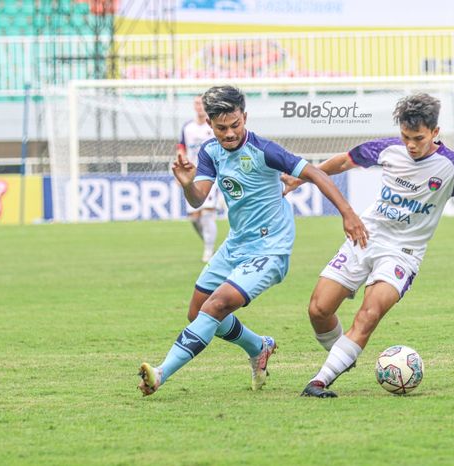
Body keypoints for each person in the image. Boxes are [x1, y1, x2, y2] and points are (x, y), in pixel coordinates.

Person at [282, 93, 454, 398]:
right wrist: (303, 179)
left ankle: (320, 380)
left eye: (418, 138)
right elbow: (344, 161)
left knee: (368, 315)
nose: (411, 144)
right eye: (406, 137)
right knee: (318, 309)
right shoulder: (387, 149)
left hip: (403, 252)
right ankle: (342, 354)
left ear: (435, 132)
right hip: (365, 237)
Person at [138, 85, 368, 396]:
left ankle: (161, 373)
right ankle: (258, 347)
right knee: (197, 312)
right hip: (236, 245)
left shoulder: (265, 151)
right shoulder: (209, 152)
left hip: (270, 249)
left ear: (245, 117)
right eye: (222, 128)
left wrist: (347, 213)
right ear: (210, 124)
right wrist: (187, 185)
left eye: (235, 125)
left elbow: (315, 173)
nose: (230, 133)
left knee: (216, 305)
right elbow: (198, 199)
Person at [178, 95, 218, 262]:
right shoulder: (188, 127)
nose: (199, 106)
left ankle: (209, 251)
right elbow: (181, 148)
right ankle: (208, 244)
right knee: (194, 218)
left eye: (201, 103)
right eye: (196, 103)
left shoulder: (214, 125)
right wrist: (180, 168)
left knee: (207, 213)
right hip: (192, 174)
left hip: (210, 173)